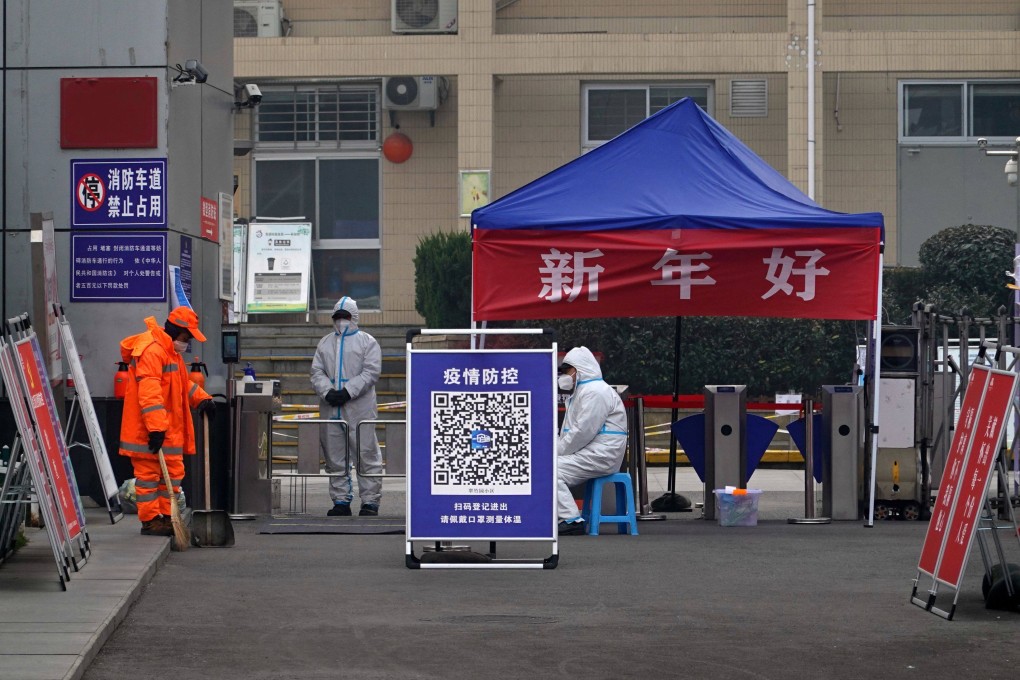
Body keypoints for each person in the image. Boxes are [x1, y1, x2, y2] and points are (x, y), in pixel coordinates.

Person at [118, 306, 215, 536]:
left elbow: (181, 386)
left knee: (172, 476)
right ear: (176, 330)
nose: (188, 341)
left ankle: (165, 516)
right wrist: (156, 428)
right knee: (149, 478)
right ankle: (151, 520)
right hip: (149, 432)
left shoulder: (170, 352)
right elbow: (149, 394)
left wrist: (202, 399)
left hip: (166, 429)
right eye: (186, 336)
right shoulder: (153, 351)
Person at [310, 296, 384, 517]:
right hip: (331, 408)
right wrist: (327, 392)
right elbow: (316, 371)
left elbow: (371, 372)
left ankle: (370, 501)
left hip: (359, 408)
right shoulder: (325, 343)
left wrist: (348, 391)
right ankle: (340, 501)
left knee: (366, 454)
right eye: (338, 317)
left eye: (345, 317)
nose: (341, 321)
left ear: (354, 318)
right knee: (334, 457)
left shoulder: (368, 342)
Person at [556, 346, 628, 535]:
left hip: (601, 455)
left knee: (550, 470)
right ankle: (567, 516)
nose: (563, 375)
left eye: (567, 371)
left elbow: (583, 432)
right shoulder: (583, 391)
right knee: (548, 468)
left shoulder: (595, 392)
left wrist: (557, 450)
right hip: (595, 453)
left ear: (579, 370)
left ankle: (571, 520)